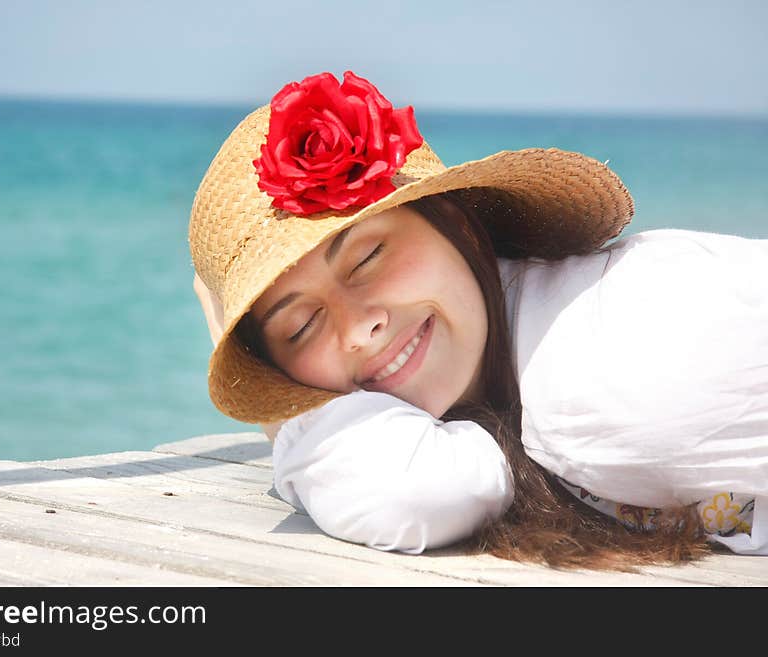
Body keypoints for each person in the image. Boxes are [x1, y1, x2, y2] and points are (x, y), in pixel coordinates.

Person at [189, 70, 767, 569]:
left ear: (453, 222)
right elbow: (416, 487)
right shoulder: (522, 389)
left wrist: (281, 412)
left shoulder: (609, 359)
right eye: (301, 327)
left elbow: (413, 494)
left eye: (368, 257)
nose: (359, 327)